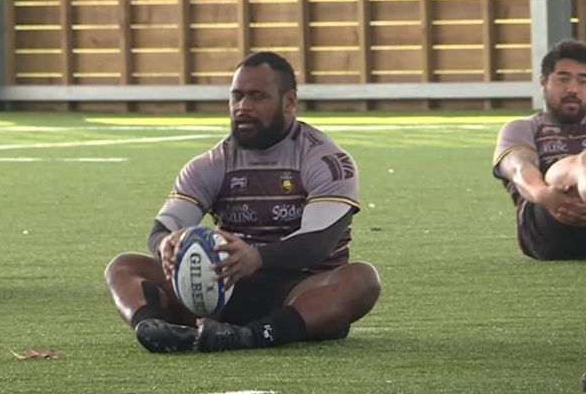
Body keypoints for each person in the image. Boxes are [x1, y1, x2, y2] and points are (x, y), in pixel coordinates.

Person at [105, 51, 382, 352]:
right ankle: (153, 328)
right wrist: (166, 244)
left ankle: (250, 336)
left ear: (289, 102)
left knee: (362, 280)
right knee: (123, 267)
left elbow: (317, 243)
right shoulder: (209, 164)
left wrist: (256, 257)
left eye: (257, 97)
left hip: (299, 293)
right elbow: (162, 228)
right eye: (236, 97)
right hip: (221, 289)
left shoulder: (326, 160)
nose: (243, 107)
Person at [493, 38, 586, 260]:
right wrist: (545, 195)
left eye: (583, 81)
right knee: (581, 163)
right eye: (563, 79)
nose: (573, 89)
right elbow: (518, 169)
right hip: (546, 226)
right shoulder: (522, 128)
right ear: (543, 82)